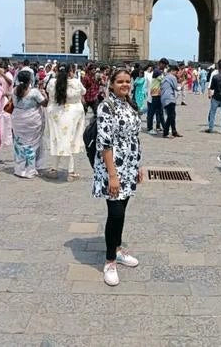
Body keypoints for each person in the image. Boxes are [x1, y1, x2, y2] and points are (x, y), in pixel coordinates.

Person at [92, 68, 142, 286]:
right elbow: (104, 143)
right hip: (112, 168)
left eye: (127, 81)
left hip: (130, 166)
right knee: (115, 214)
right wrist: (113, 175)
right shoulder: (106, 106)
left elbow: (135, 137)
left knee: (122, 211)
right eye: (120, 81)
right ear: (111, 84)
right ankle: (110, 261)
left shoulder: (130, 105)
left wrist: (138, 165)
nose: (124, 84)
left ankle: (118, 250)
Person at [46, 64, 86, 181]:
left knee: (57, 140)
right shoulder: (76, 82)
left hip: (56, 113)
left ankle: (54, 169)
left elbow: (49, 92)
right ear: (71, 71)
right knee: (70, 141)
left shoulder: (52, 82)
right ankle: (71, 171)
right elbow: (83, 92)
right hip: (73, 114)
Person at [12, 71, 47, 178]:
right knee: (31, 144)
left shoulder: (14, 90)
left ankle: (20, 169)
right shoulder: (34, 92)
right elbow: (45, 103)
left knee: (19, 143)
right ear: (30, 80)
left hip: (18, 120)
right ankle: (29, 169)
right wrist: (45, 94)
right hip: (31, 121)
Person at [206, 59, 221, 135]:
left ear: (218, 66)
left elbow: (212, 87)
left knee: (213, 113)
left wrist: (210, 94)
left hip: (216, 96)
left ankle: (211, 128)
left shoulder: (215, 77)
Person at [146, 58, 168, 135]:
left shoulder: (158, 71)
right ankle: (150, 128)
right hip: (155, 94)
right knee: (152, 112)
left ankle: (165, 128)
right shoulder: (157, 71)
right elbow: (163, 80)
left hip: (158, 94)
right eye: (164, 65)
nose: (165, 67)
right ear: (161, 63)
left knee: (160, 112)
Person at [161, 65, 182, 138]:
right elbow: (177, 88)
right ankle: (165, 132)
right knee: (171, 116)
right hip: (169, 98)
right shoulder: (172, 77)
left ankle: (174, 131)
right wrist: (182, 84)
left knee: (172, 115)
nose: (176, 74)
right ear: (173, 71)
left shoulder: (165, 77)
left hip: (164, 98)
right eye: (176, 72)